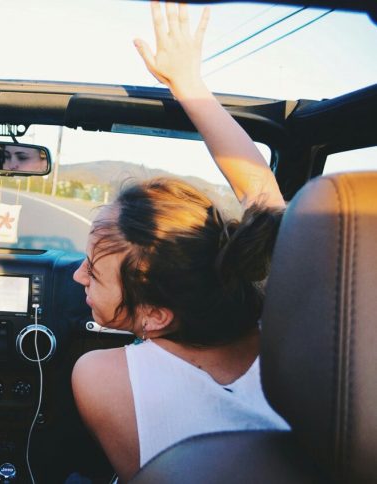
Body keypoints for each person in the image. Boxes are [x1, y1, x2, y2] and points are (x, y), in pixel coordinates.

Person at [71, 3, 289, 481]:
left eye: (93, 269)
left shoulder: (99, 378)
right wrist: (189, 84)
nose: (76, 274)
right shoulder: (295, 339)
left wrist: (186, 81)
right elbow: (267, 204)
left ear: (154, 314)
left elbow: (266, 205)